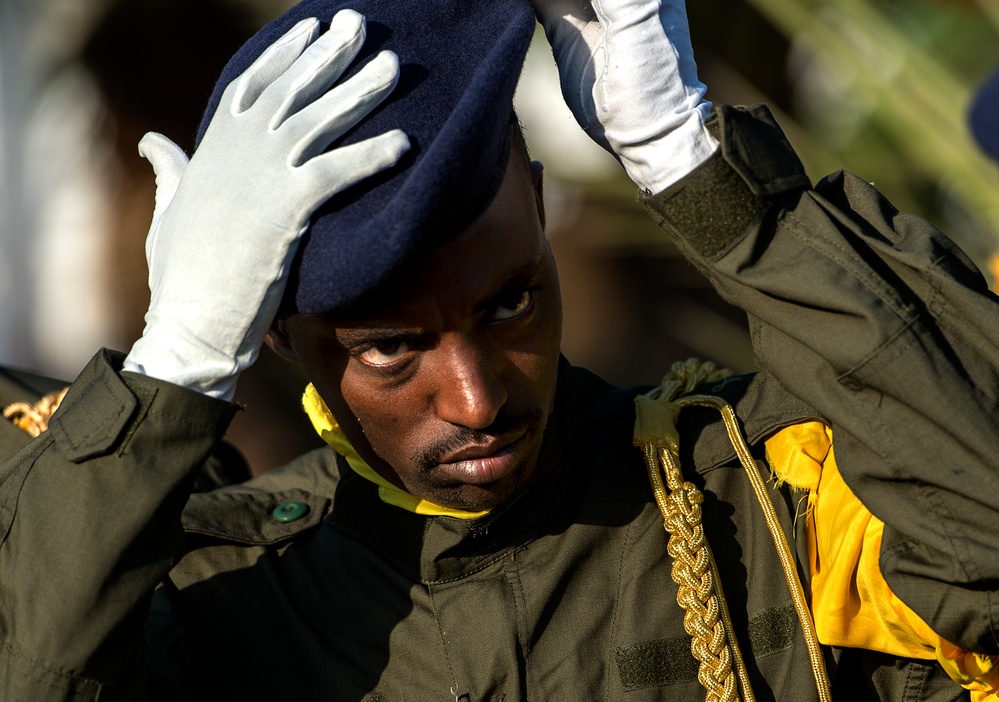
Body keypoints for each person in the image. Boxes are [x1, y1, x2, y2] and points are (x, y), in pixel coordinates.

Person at [1, 0, 998, 699]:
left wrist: (706, 180)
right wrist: (173, 369)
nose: (477, 399)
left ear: (537, 208)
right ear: (275, 333)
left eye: (513, 302)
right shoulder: (226, 599)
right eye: (394, 349)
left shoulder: (757, 493)